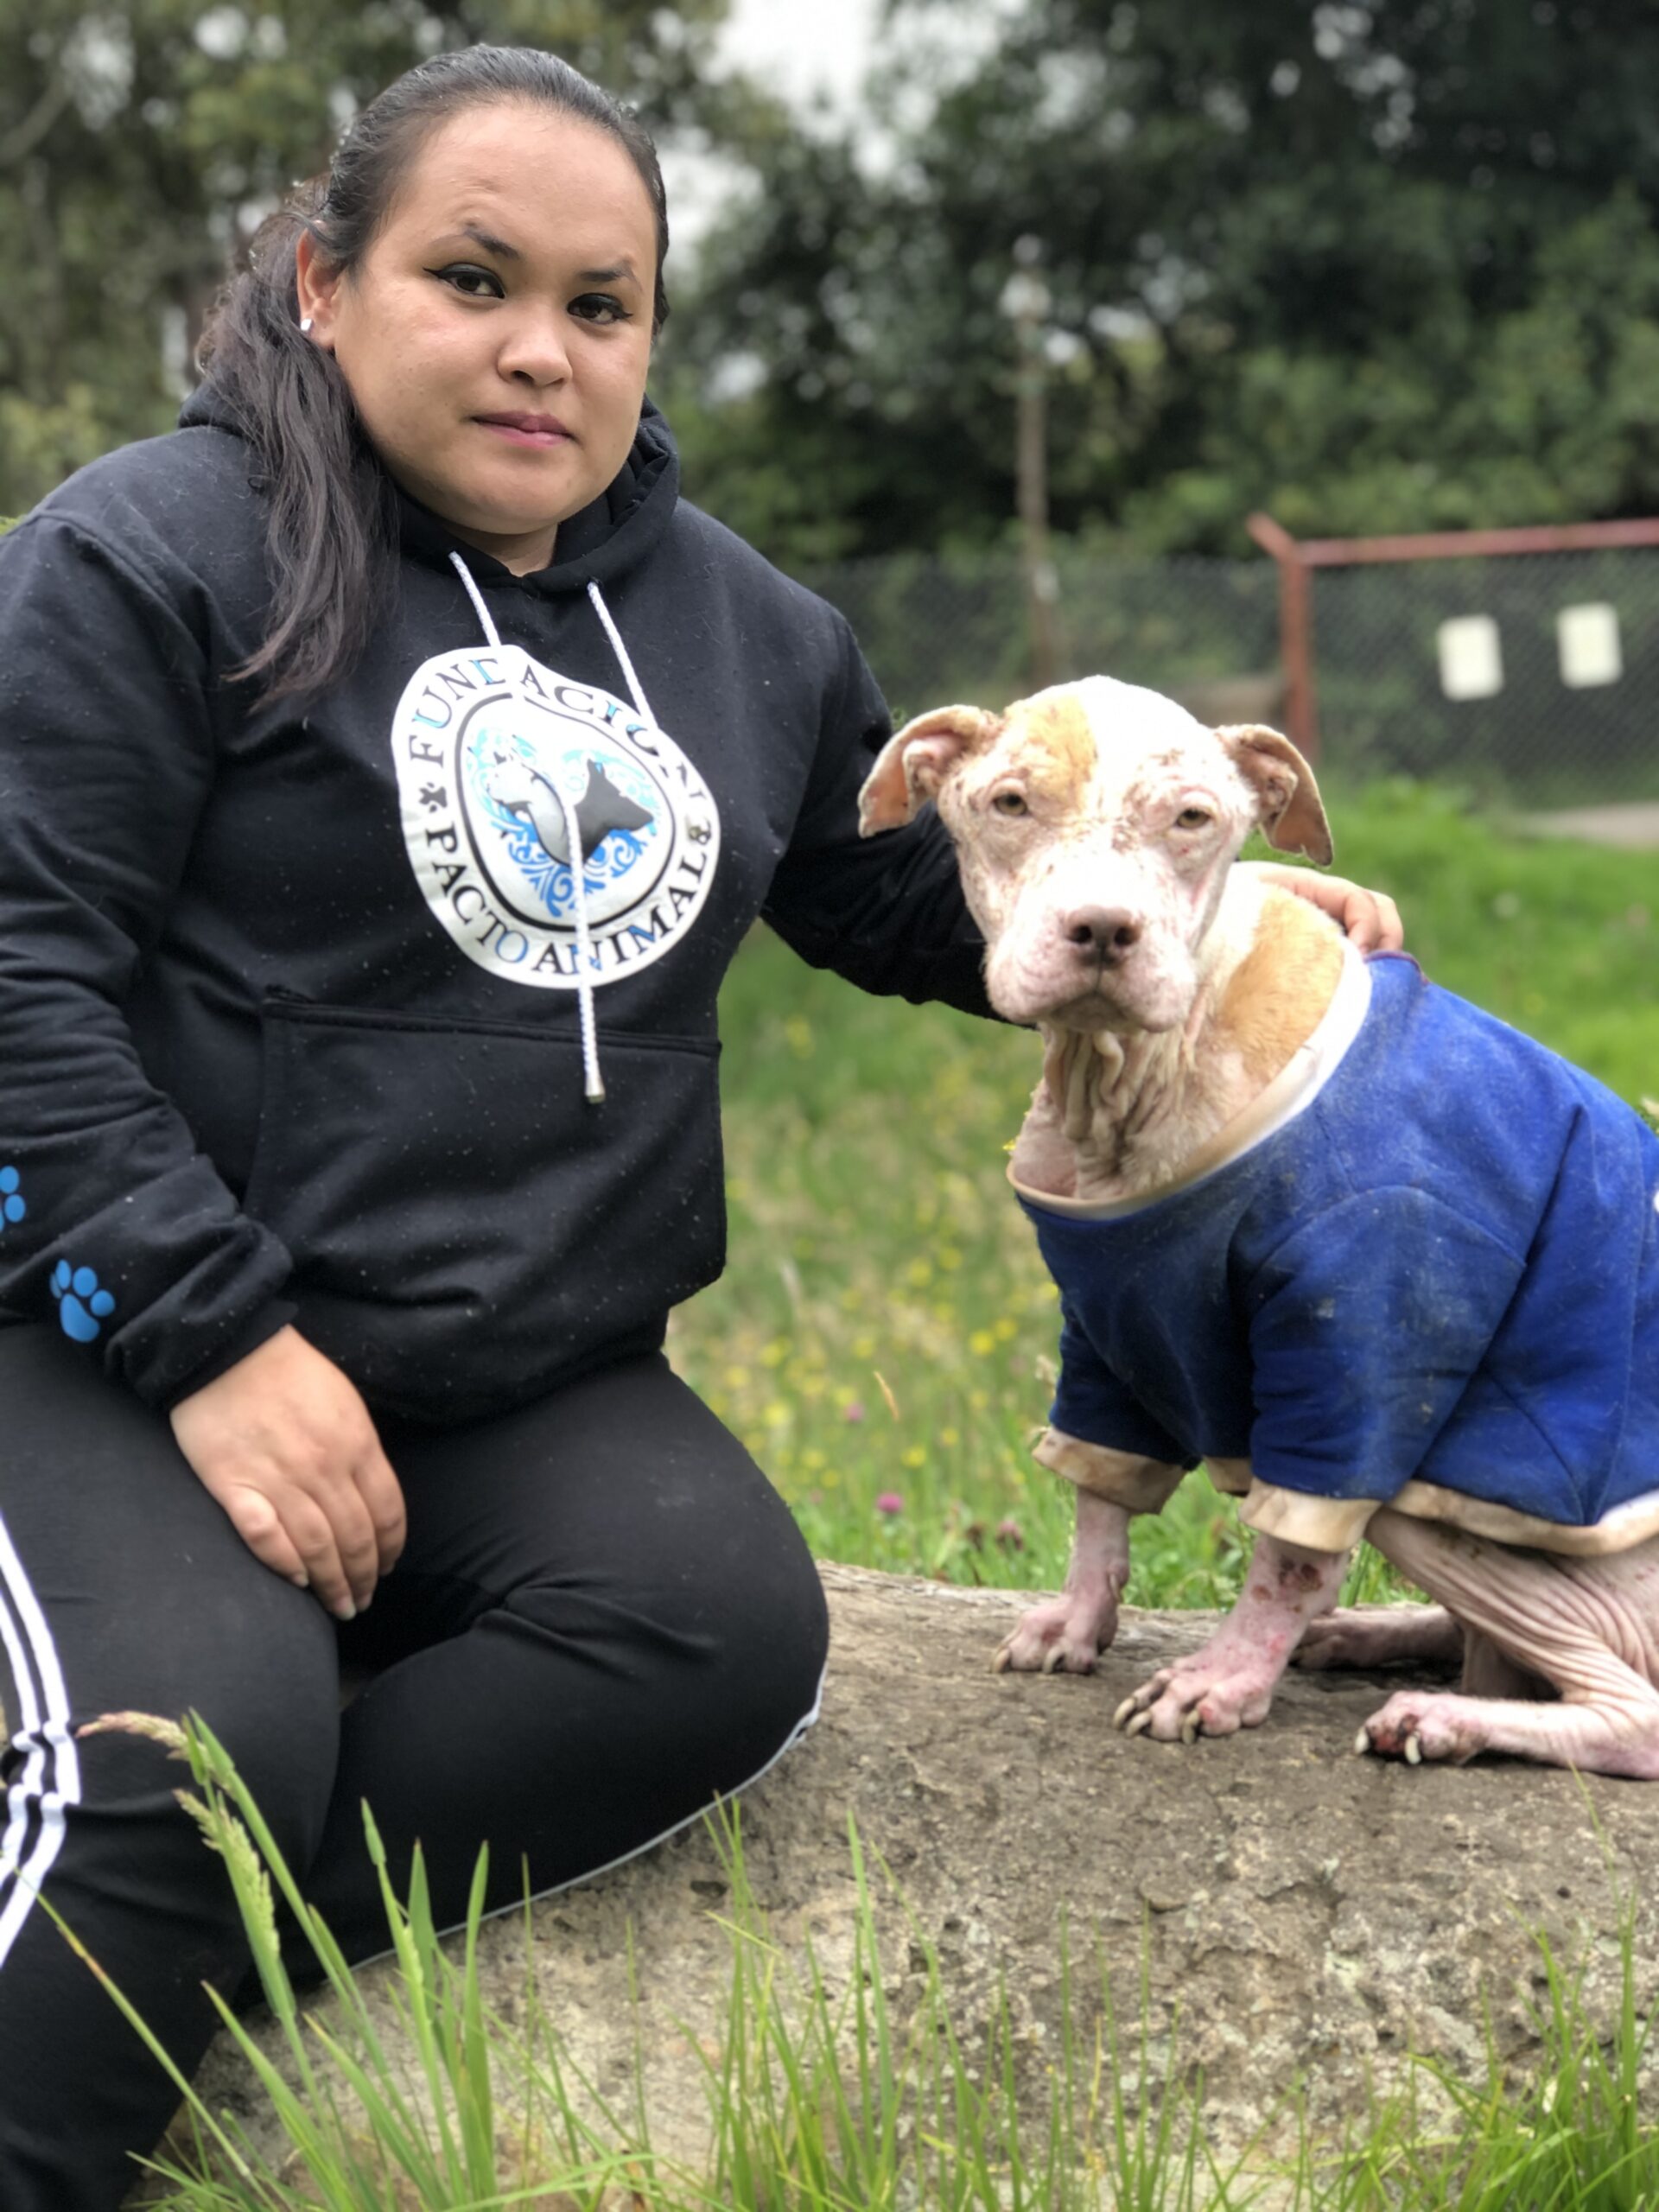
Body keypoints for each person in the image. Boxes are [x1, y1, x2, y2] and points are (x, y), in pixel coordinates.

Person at [0, 44, 1402, 2205]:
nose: (541, 348)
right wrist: (211, 1338)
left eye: (604, 302)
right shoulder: (144, 554)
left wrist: (1221, 912)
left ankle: (179, 1967)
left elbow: (914, 899)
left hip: (506, 1367)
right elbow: (16, 978)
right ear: (322, 286)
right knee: (193, 1746)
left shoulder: (743, 632)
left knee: (713, 1632)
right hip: (114, 1333)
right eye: (474, 279)